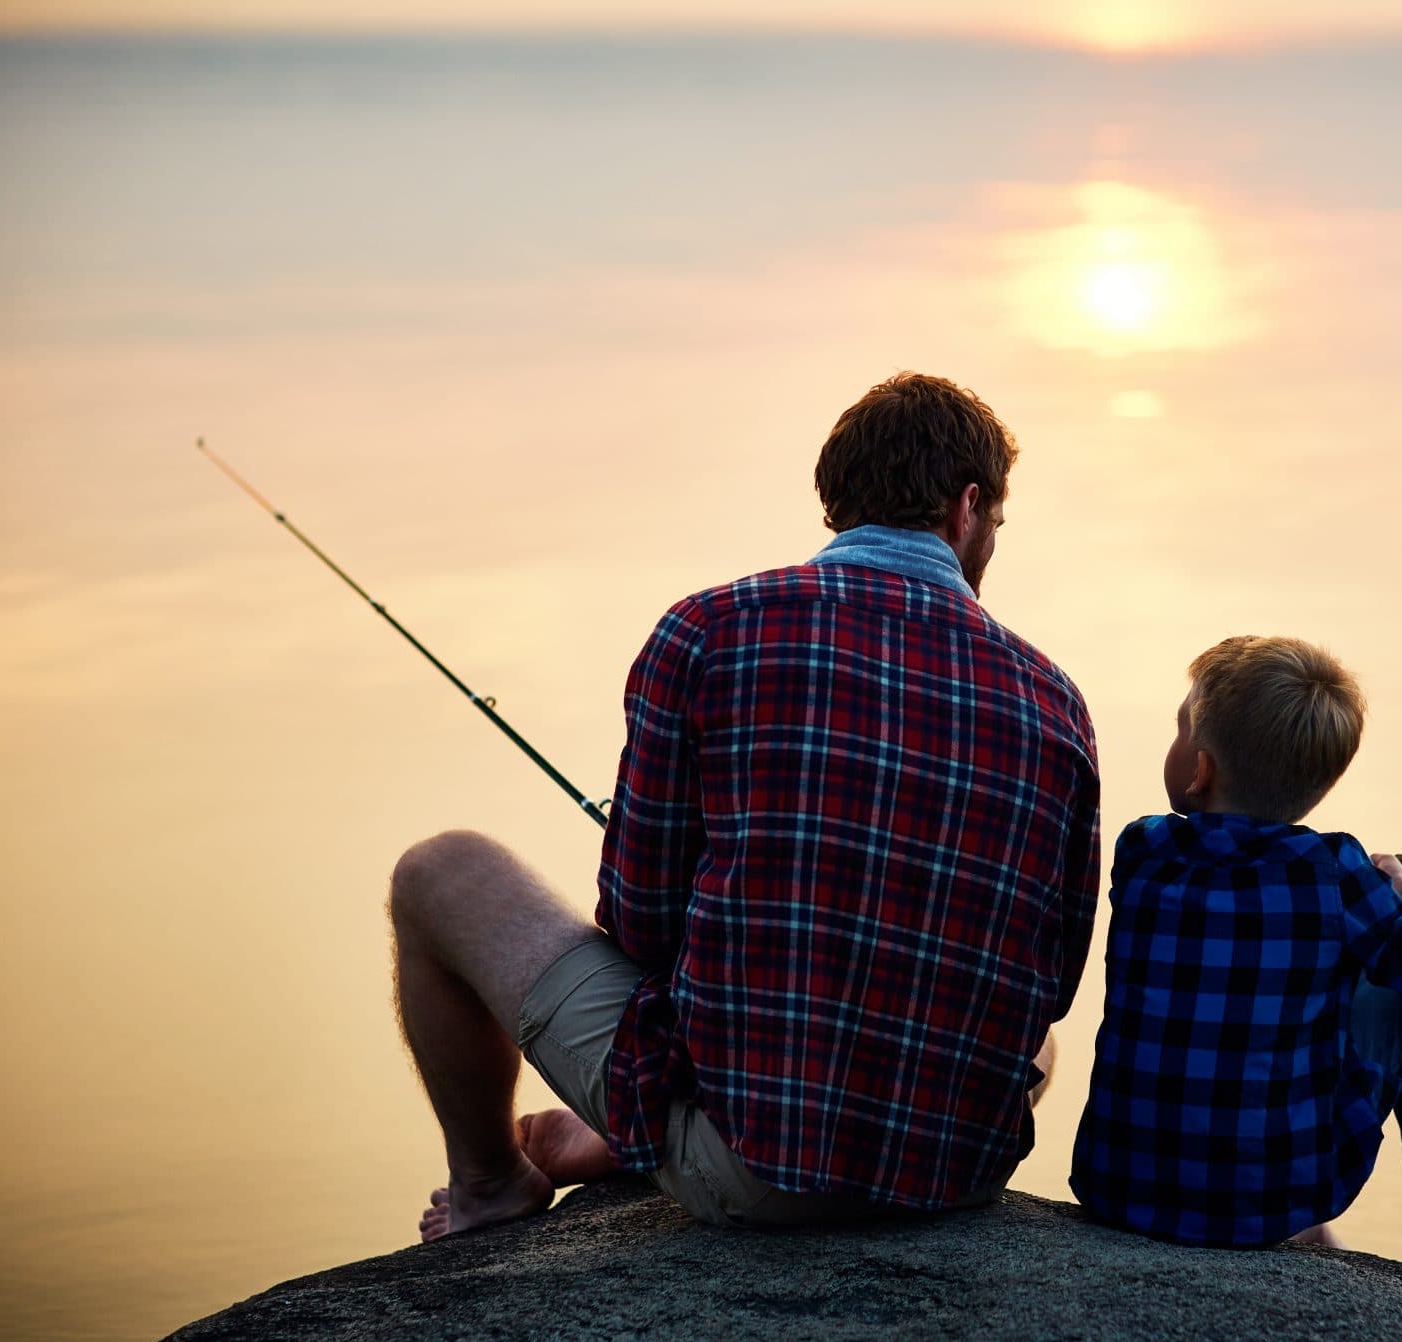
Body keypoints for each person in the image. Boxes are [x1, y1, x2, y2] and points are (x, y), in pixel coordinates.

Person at [394, 373, 1100, 1240]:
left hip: (757, 1172)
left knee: (439, 871)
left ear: (839, 501)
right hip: (956, 1168)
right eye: (997, 522)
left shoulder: (706, 630)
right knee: (1038, 1045)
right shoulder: (1055, 702)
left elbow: (642, 925)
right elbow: (1054, 981)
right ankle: (638, 1131)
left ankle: (493, 1181)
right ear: (967, 508)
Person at [1068, 635, 1402, 1267]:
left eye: (1181, 727)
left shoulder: (1142, 851)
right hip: (1271, 1205)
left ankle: (1351, 1225)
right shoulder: (1337, 874)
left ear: (1202, 769)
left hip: (1118, 1188)